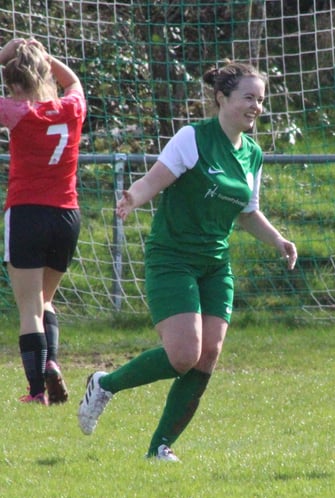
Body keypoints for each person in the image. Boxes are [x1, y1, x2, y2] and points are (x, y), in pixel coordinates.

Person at [77, 60, 297, 461]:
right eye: (249, 97)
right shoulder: (192, 138)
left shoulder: (252, 154)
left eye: (261, 100)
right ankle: (105, 383)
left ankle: (160, 448)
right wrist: (133, 198)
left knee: (208, 354)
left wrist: (278, 239)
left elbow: (247, 212)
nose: (257, 107)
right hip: (172, 258)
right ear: (221, 98)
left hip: (215, 264)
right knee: (183, 356)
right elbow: (154, 180)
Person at [0, 38, 86, 405]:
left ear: (13, 84)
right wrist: (46, 57)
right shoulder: (71, 108)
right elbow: (75, 83)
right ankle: (51, 362)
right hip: (67, 215)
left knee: (30, 309)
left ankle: (36, 392)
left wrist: (6, 53)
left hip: (27, 213)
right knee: (46, 300)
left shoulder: (17, 111)